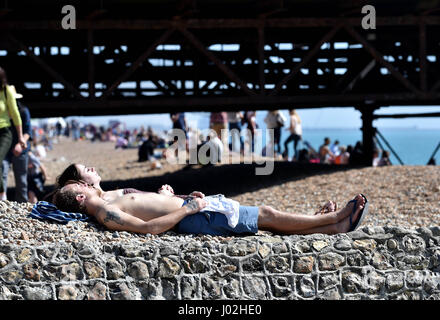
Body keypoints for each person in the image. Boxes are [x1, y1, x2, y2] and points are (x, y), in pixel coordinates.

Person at [52, 180, 368, 237]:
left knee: (266, 220)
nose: (85, 184)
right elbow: (149, 228)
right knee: (267, 216)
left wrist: (181, 199)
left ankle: (333, 226)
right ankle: (335, 218)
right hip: (196, 217)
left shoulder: (107, 202)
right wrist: (188, 209)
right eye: (78, 186)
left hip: (196, 210)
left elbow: (153, 210)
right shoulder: (105, 213)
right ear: (79, 198)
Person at [2, 86, 32, 202]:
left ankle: (22, 203)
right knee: (2, 173)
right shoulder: (2, 113)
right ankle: (2, 202)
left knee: (21, 179)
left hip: (21, 148)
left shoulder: (24, 111)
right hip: (5, 148)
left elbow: (28, 132)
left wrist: (20, 143)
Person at [0, 68, 26, 201]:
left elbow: (16, 116)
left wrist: (21, 138)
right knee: (2, 168)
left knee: (20, 177)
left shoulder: (6, 91)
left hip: (8, 137)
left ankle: (4, 196)